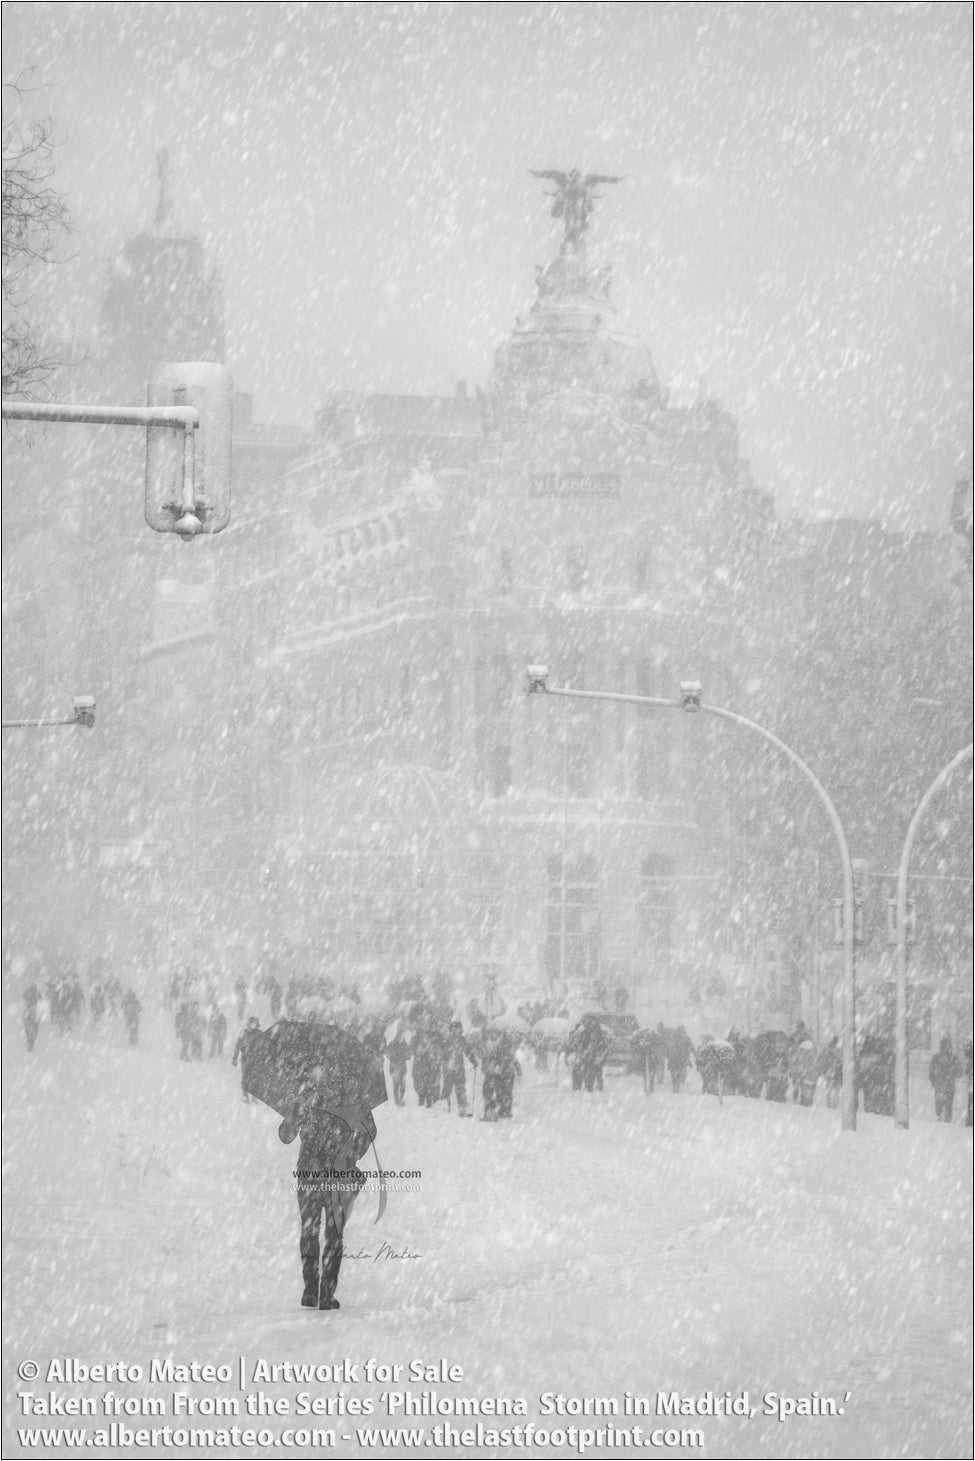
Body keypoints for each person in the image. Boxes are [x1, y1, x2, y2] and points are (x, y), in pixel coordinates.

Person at [279, 1066, 378, 1310]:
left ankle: (311, 1290)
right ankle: (326, 1293)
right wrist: (352, 1154)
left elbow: (285, 1135)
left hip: (310, 1174)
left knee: (310, 1231)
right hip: (338, 1174)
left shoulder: (305, 1095)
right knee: (334, 1235)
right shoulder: (353, 1094)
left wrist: (295, 1116)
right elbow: (370, 1130)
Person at [440, 1021, 477, 1117]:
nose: (455, 1030)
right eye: (453, 1028)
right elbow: (442, 1053)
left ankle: (462, 1108)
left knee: (460, 1088)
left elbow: (467, 1051)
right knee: (447, 1088)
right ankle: (445, 1106)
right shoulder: (446, 1040)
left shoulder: (462, 1040)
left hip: (459, 1069)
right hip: (448, 1069)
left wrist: (473, 1060)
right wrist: (444, 1057)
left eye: (457, 1028)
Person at [929, 1036, 961, 1123]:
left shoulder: (938, 1058)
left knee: (942, 1104)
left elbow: (931, 1072)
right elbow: (959, 1073)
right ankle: (945, 1118)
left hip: (942, 1085)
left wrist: (934, 1082)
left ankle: (942, 1117)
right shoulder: (952, 1058)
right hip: (946, 1085)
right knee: (947, 1105)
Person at [232, 1016, 262, 1101]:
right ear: (249, 1024)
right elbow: (237, 1045)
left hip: (256, 1059)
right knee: (245, 1077)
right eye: (253, 1023)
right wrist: (234, 1057)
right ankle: (245, 1096)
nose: (254, 1025)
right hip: (245, 1059)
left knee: (255, 1078)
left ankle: (254, 1096)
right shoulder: (243, 1033)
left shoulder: (259, 1033)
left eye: (255, 1023)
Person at [385, 1027, 411, 1106]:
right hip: (394, 1067)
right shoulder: (392, 1044)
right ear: (397, 1035)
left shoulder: (405, 1044)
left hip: (402, 1067)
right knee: (396, 1083)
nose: (401, 1037)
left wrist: (406, 1055)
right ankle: (397, 1100)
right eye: (399, 1035)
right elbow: (387, 1054)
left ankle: (401, 1099)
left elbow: (409, 1056)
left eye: (402, 1035)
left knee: (402, 1084)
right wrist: (393, 1057)